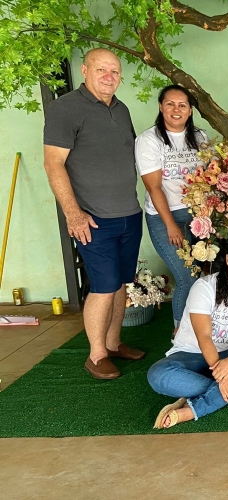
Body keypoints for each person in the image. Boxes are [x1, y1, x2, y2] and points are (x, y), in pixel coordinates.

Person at [43, 48, 144, 380]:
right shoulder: (65, 108)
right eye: (102, 70)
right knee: (102, 287)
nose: (109, 77)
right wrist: (73, 214)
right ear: (85, 70)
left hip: (128, 214)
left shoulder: (122, 108)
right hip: (92, 219)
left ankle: (113, 344)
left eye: (115, 72)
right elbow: (53, 163)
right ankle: (96, 355)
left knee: (120, 285)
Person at [147, 237, 228, 429]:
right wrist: (224, 378)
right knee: (158, 376)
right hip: (192, 354)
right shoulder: (205, 287)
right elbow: (203, 336)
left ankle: (192, 411)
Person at [136, 84, 208, 332]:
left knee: (199, 276)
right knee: (186, 277)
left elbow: (208, 178)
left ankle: (199, 331)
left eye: (182, 105)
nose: (176, 109)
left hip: (198, 216)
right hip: (165, 216)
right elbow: (154, 187)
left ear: (190, 110)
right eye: (170, 104)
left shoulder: (199, 137)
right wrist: (170, 225)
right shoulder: (149, 140)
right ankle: (180, 334)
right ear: (160, 106)